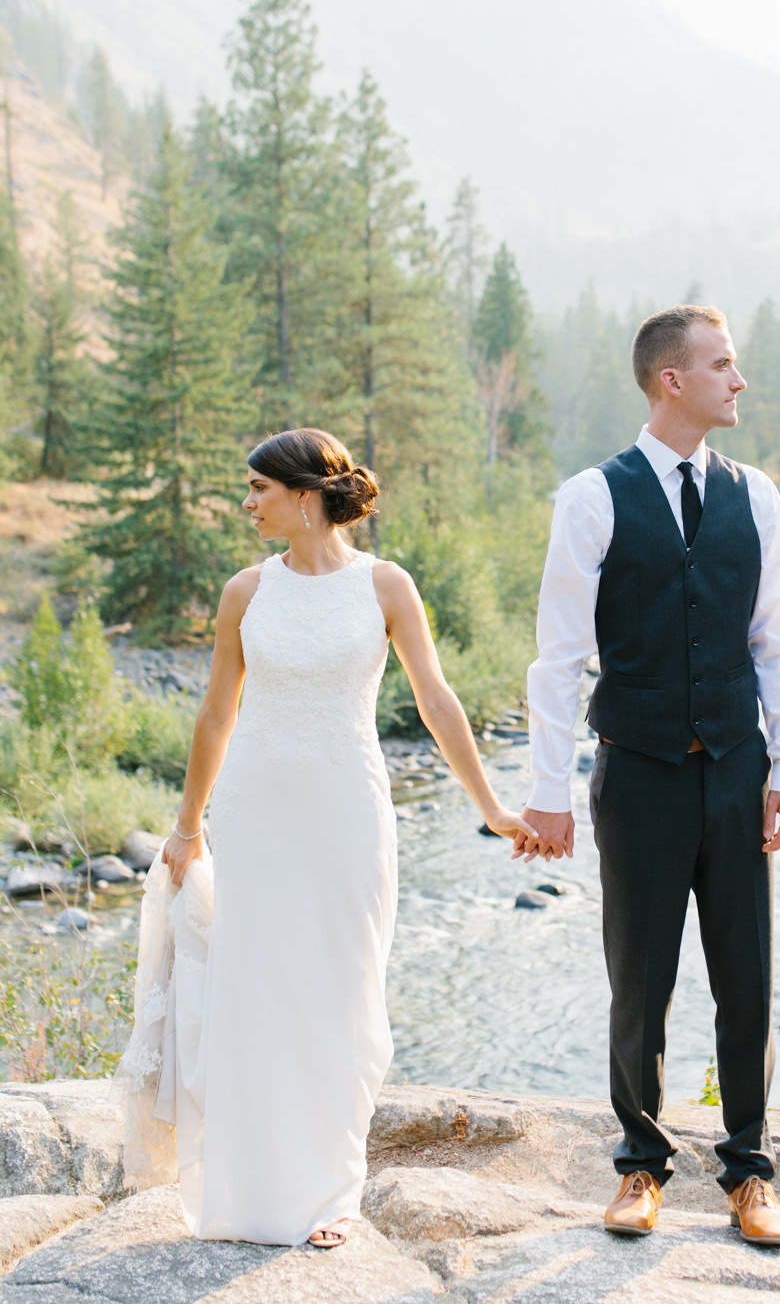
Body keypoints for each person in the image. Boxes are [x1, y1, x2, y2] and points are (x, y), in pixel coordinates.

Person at [119, 427, 535, 1249]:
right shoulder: (245, 591)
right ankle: (246, 1195)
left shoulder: (387, 586)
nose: (247, 505)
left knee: (343, 994)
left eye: (258, 490)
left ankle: (332, 1197)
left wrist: (491, 806)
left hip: (347, 811)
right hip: (254, 814)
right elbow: (215, 715)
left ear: (305, 496)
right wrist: (186, 825)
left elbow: (437, 701)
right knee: (256, 996)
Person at [516, 306, 780, 1246]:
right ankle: (641, 1167)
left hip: (735, 769)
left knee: (748, 977)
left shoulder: (755, 496)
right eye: (723, 366)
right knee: (641, 978)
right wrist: (547, 791)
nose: (740, 381)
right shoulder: (591, 498)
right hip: (636, 774)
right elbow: (557, 658)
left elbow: (777, 644)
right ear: (669, 381)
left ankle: (750, 1172)